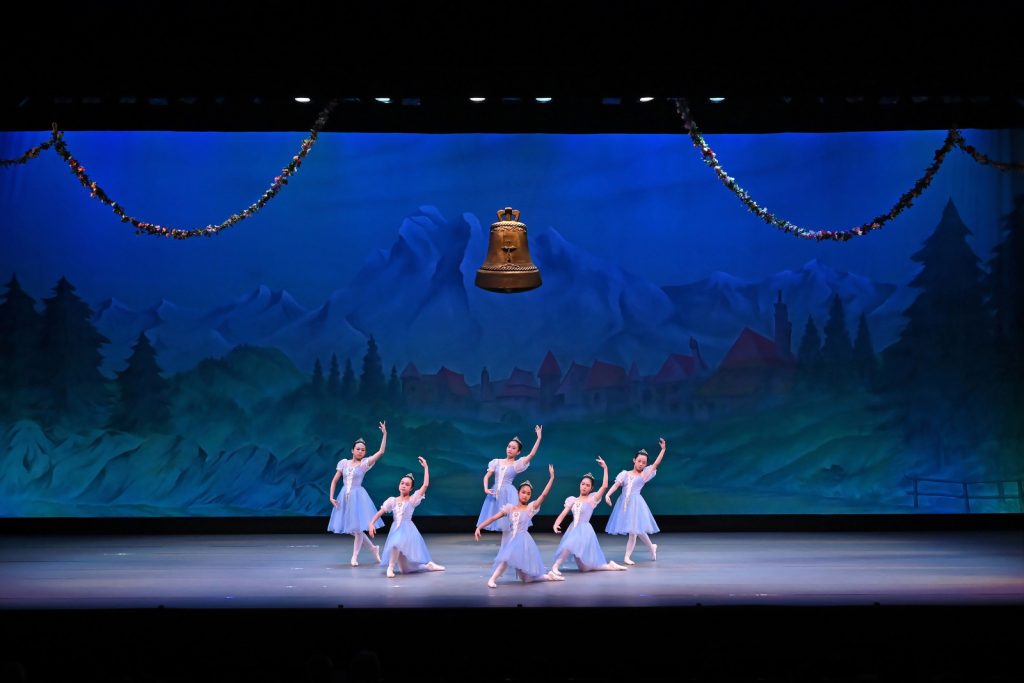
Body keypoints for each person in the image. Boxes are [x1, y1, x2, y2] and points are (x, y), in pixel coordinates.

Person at [474, 464, 564, 588]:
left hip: (523, 541)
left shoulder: (530, 508)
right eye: (523, 492)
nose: (525, 495)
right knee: (517, 570)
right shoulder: (510, 508)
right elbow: (493, 518)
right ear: (518, 493)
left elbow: (543, 495)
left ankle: (493, 579)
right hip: (512, 539)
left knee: (515, 568)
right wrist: (479, 527)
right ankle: (548, 576)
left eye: (528, 494)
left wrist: (552, 478)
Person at [367, 456, 445, 577]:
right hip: (396, 529)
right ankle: (428, 566)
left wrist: (426, 467)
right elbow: (380, 512)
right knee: (405, 569)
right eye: (402, 483)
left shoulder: (412, 500)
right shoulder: (392, 500)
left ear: (411, 488)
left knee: (395, 543)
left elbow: (425, 485)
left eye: (407, 484)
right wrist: (371, 523)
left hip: (408, 530)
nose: (403, 485)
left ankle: (390, 568)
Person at [551, 456, 627, 574]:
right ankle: (609, 566)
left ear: (591, 488)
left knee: (568, 544)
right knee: (584, 568)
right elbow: (563, 513)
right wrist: (556, 524)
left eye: (587, 485)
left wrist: (605, 468)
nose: (584, 487)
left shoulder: (592, 500)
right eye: (583, 484)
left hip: (584, 531)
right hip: (573, 529)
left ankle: (555, 566)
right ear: (580, 485)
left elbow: (604, 486)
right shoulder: (572, 500)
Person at [327, 421, 387, 566]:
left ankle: (354, 557)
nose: (360, 451)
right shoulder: (343, 463)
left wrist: (384, 434)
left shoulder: (364, 464)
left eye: (363, 450)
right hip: (344, 497)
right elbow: (335, 480)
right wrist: (331, 497)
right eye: (358, 449)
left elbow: (381, 452)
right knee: (352, 529)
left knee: (358, 529)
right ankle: (373, 548)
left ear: (365, 453)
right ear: (352, 450)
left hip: (358, 497)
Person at [604, 437, 666, 565]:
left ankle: (627, 556)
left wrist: (663, 450)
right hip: (624, 504)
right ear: (634, 460)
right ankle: (652, 547)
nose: (641, 464)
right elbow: (616, 485)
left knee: (633, 532)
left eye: (644, 462)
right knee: (638, 530)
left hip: (636, 504)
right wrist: (608, 495)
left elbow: (655, 464)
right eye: (639, 461)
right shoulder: (625, 474)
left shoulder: (644, 475)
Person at [476, 425, 542, 535]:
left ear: (518, 452)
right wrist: (486, 488)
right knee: (497, 517)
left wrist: (539, 438)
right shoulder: (496, 462)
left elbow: (531, 454)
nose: (510, 449)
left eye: (513, 448)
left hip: (508, 493)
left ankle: (514, 540)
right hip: (495, 492)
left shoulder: (516, 464)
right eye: (509, 446)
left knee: (510, 520)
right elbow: (486, 476)